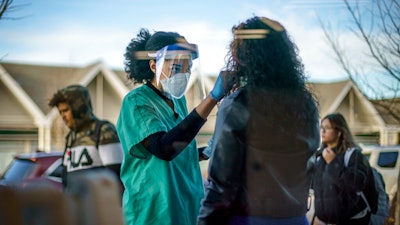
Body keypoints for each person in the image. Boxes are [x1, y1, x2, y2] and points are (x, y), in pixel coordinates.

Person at [197, 16, 320, 225]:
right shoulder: (306, 104)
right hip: (296, 218)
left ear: (242, 57)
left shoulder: (238, 104)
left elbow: (221, 187)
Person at [116, 28, 230, 225]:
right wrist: (212, 99)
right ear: (154, 66)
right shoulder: (136, 102)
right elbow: (163, 149)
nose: (184, 74)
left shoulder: (179, 102)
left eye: (188, 67)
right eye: (177, 67)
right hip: (153, 213)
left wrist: (207, 152)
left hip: (185, 208)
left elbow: (179, 153)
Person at [48, 85, 124, 193]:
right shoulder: (71, 137)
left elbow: (115, 177)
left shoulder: (104, 131)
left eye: (66, 110)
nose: (63, 116)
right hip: (76, 207)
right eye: (60, 112)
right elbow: (66, 178)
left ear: (79, 108)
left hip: (100, 206)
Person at [313, 113, 372, 224]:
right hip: (324, 221)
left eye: (327, 128)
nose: (323, 131)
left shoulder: (352, 154)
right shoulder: (319, 156)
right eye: (322, 127)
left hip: (350, 220)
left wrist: (333, 163)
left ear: (339, 132)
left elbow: (355, 184)